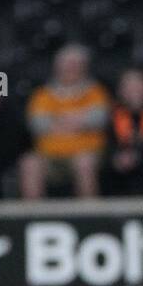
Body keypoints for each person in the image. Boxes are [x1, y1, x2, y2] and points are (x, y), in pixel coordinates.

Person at [20, 45, 112, 199]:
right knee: (30, 163)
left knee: (84, 163)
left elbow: (99, 119)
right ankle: (32, 215)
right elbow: (37, 125)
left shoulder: (95, 92)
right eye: (66, 65)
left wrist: (58, 120)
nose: (70, 69)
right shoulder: (43, 94)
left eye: (75, 65)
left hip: (86, 153)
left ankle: (90, 215)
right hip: (50, 155)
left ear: (84, 67)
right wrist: (78, 120)